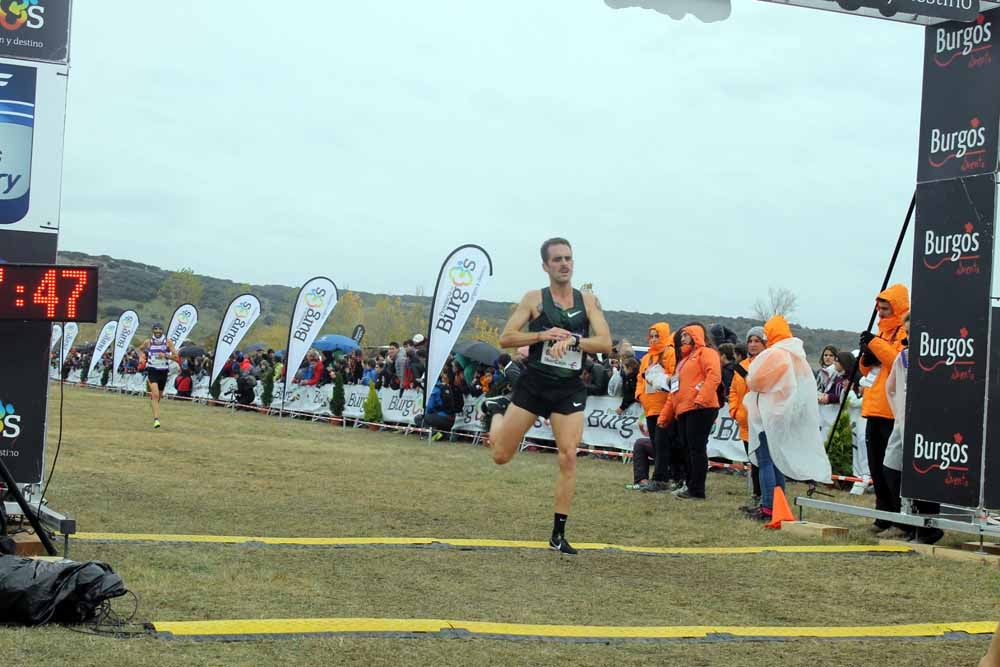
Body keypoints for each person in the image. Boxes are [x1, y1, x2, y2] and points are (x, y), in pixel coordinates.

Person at [482, 238, 612, 555]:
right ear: (545, 266)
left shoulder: (589, 301)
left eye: (568, 258)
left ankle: (557, 534)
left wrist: (573, 340)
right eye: (557, 260)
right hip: (534, 385)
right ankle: (497, 411)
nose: (564, 264)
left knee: (568, 455)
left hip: (568, 388)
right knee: (500, 456)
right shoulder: (533, 299)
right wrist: (543, 334)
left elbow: (605, 343)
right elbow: (505, 338)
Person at [743, 315, 832, 522]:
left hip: (769, 415)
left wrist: (750, 378)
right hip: (784, 415)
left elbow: (755, 381)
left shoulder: (776, 354)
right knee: (777, 461)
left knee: (766, 462)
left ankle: (768, 506)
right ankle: (777, 505)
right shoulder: (796, 355)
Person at [859, 284, 909, 535]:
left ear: (897, 307)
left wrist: (875, 345)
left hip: (892, 410)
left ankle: (899, 520)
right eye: (879, 308)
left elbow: (899, 363)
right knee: (876, 466)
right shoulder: (881, 333)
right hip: (874, 406)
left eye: (885, 308)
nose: (880, 312)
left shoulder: (904, 333)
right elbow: (870, 370)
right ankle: (882, 516)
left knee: (892, 469)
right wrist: (865, 359)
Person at [659, 323, 721, 500]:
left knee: (696, 449)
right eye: (682, 336)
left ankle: (697, 490)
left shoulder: (707, 353)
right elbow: (675, 391)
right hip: (685, 410)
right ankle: (690, 485)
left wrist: (701, 398)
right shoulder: (683, 361)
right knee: (687, 449)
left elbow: (714, 376)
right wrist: (665, 416)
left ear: (695, 336)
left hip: (702, 408)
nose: (682, 339)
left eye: (686, 335)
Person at [636, 322, 676, 493]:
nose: (653, 339)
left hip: (664, 407)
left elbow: (674, 377)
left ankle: (661, 479)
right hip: (649, 408)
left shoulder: (670, 353)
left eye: (656, 336)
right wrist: (639, 396)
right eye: (651, 336)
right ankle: (662, 477)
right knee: (655, 443)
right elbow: (640, 379)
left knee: (662, 444)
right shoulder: (646, 358)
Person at [730, 327, 765, 513]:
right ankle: (757, 497)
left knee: (763, 462)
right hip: (744, 422)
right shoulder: (741, 365)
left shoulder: (768, 364)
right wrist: (735, 411)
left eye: (757, 340)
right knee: (753, 462)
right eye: (750, 341)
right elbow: (734, 391)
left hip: (761, 422)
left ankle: (764, 499)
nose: (752, 344)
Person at [138, 323, 179, 429]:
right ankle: (156, 419)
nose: (157, 331)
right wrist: (142, 358)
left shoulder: (168, 342)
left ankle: (153, 403)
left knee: (159, 396)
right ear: (152, 331)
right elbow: (141, 349)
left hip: (163, 371)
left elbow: (176, 357)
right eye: (155, 329)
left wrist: (165, 355)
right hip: (152, 370)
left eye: (160, 329)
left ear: (163, 331)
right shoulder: (148, 342)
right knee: (155, 395)